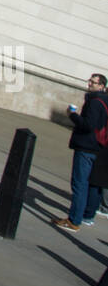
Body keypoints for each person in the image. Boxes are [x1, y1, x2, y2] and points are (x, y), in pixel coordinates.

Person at [53, 71, 108, 232]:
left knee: (80, 184)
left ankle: (74, 220)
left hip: (86, 146)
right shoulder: (104, 101)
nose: (90, 83)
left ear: (102, 86)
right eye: (90, 81)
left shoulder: (95, 102)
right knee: (92, 184)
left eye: (94, 82)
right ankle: (87, 216)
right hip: (98, 147)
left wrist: (73, 115)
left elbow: (88, 126)